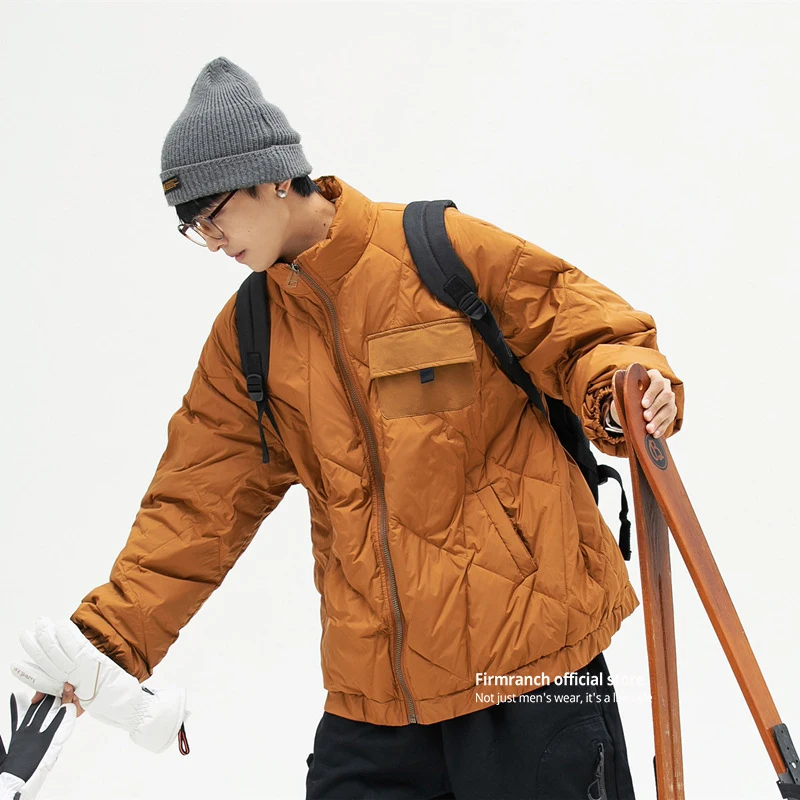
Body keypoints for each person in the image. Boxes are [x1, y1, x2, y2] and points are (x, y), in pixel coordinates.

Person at [12, 56, 683, 799]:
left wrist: (621, 391)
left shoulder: (436, 252)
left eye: (214, 213)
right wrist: (106, 644)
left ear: (272, 178)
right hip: (376, 698)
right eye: (192, 227)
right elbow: (196, 508)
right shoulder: (250, 336)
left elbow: (582, 327)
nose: (211, 239)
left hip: (527, 665)